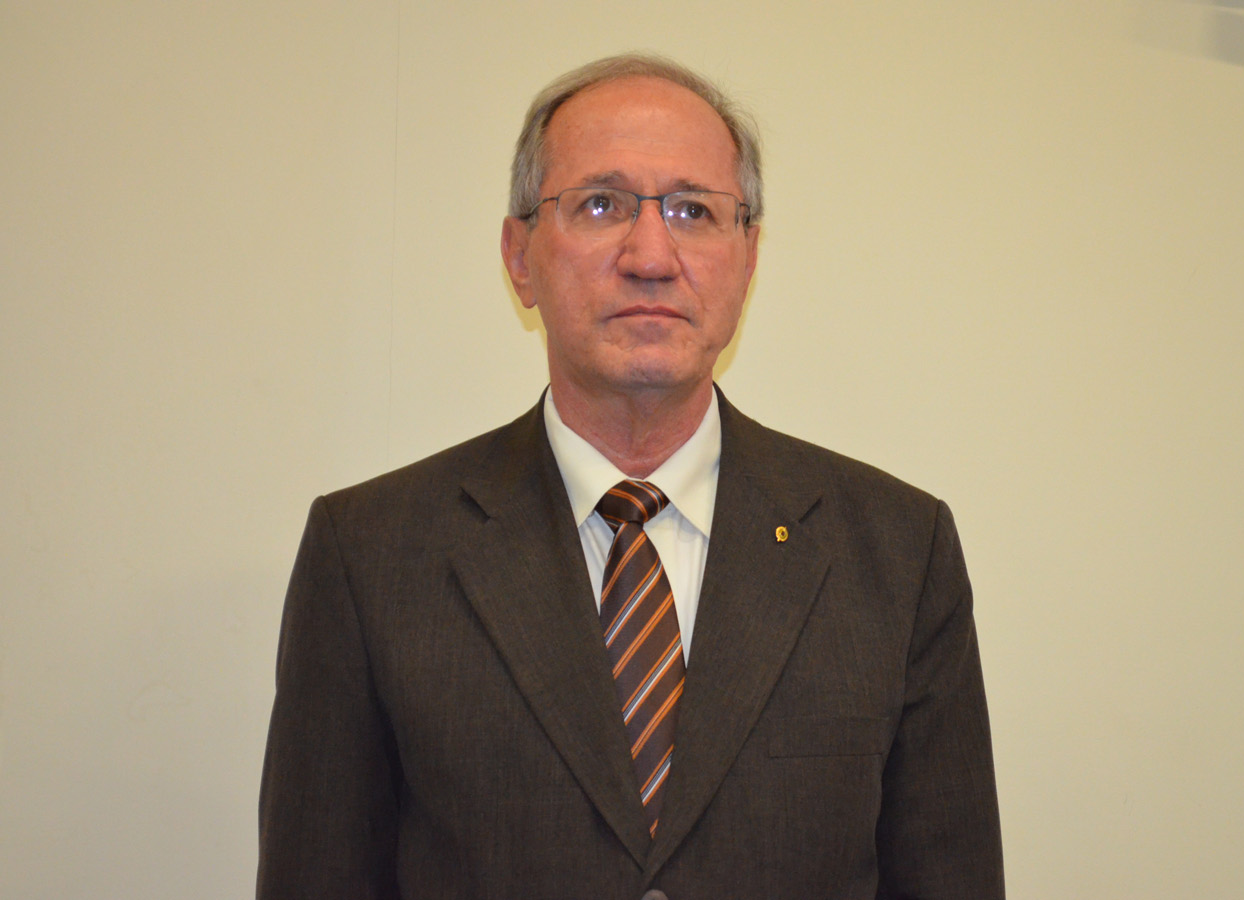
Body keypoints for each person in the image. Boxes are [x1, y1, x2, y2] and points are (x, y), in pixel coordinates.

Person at [257, 53, 1003, 900]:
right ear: (519, 256)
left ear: (747, 257)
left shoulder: (899, 553)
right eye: (600, 204)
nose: (651, 256)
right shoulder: (370, 554)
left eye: (693, 210)